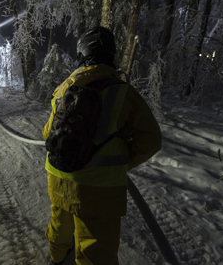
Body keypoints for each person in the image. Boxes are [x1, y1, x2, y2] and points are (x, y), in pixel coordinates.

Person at [42, 26, 162, 265]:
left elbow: (47, 133)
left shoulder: (65, 87)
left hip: (58, 173)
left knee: (60, 221)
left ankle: (56, 258)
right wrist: (121, 161)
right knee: (94, 245)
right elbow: (151, 139)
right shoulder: (123, 93)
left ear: (81, 55)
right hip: (97, 186)